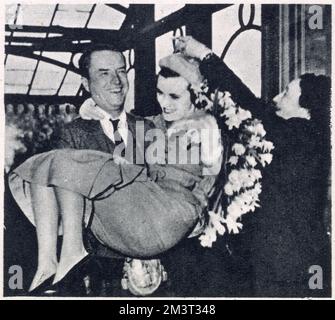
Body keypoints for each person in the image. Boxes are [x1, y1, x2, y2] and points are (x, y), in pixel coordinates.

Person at [8, 42, 224, 296]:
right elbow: (64, 214)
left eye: (121, 71)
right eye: (104, 73)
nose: (117, 81)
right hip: (102, 277)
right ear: (86, 85)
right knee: (51, 166)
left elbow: (191, 173)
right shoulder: (72, 134)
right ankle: (55, 262)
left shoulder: (151, 126)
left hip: (157, 268)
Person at [172, 37, 331, 296]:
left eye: (287, 93)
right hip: (287, 262)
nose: (277, 97)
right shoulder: (303, 139)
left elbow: (248, 103)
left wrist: (203, 54)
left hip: (288, 269)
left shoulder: (302, 136)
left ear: (307, 110)